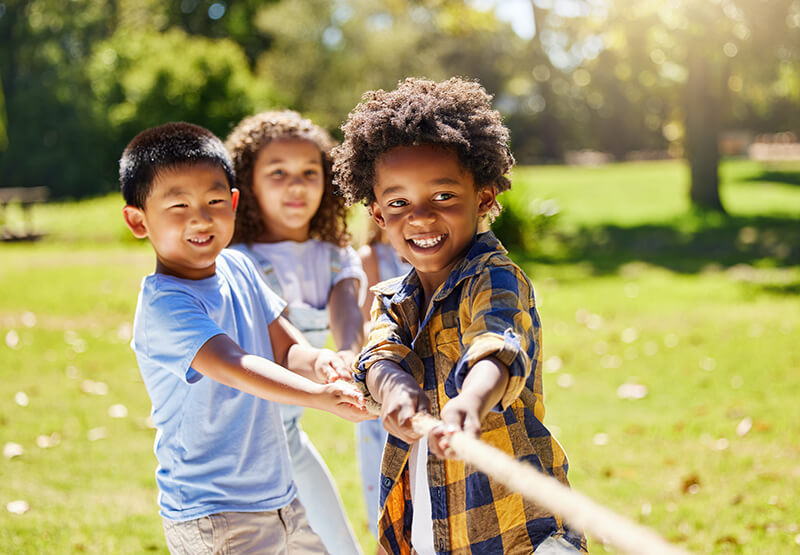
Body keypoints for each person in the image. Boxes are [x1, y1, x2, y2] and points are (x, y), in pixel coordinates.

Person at [333, 77, 587, 555]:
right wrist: (394, 388)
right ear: (377, 214)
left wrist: (470, 401)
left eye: (444, 197)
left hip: (517, 531)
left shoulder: (495, 276)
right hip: (432, 525)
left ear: (485, 199)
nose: (422, 217)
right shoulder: (391, 297)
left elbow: (498, 344)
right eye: (399, 203)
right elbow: (379, 355)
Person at [120, 121, 368, 554]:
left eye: (214, 200)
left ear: (234, 203)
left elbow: (286, 347)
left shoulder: (239, 268)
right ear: (138, 221)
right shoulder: (165, 305)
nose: (200, 217)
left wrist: (321, 363)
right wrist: (316, 396)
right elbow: (235, 365)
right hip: (213, 512)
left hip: (278, 495)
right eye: (178, 205)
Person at [225, 110, 366, 555]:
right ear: (248, 184)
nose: (297, 185)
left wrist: (345, 353)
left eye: (310, 172)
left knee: (339, 545)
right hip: (232, 449)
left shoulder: (333, 256)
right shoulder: (232, 258)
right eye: (278, 173)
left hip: (287, 438)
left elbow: (347, 314)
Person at [356, 219, 411, 553]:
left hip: (426, 396)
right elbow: (369, 326)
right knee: (389, 511)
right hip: (385, 393)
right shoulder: (371, 258)